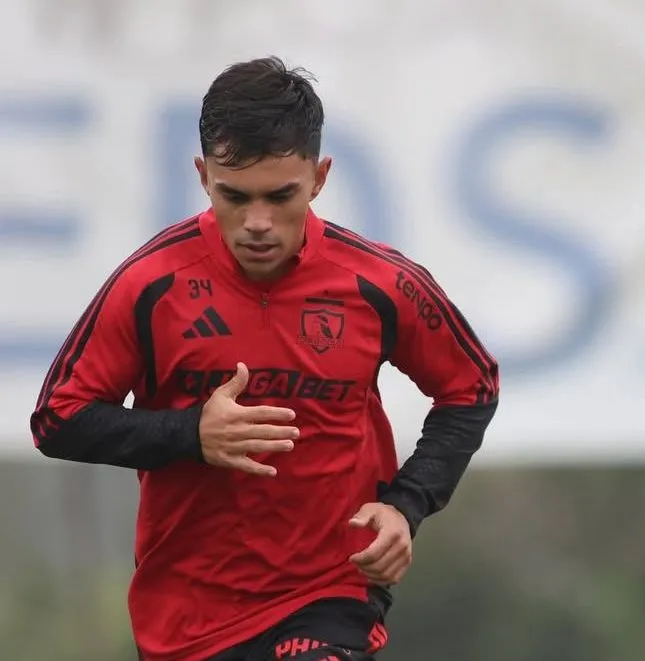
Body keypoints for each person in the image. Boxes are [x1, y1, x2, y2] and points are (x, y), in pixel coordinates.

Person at [30, 57, 499, 661]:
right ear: (203, 177)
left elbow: (472, 385)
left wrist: (406, 505)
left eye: (282, 196)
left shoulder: (381, 283)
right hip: (186, 616)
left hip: (331, 590)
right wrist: (190, 433)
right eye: (235, 196)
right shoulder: (150, 284)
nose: (257, 223)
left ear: (320, 177)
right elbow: (57, 419)